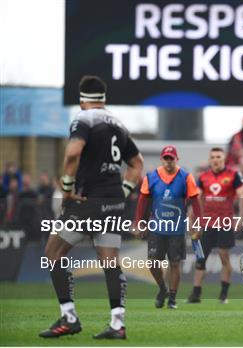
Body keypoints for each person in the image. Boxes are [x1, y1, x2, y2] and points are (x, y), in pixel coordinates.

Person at [39, 75, 144, 339]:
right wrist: (123, 192)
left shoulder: (82, 119)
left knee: (52, 252)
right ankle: (118, 324)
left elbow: (73, 152)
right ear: (104, 98)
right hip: (113, 202)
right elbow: (137, 164)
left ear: (82, 98)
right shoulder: (118, 124)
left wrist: (66, 189)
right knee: (110, 262)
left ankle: (69, 317)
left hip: (89, 201)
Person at [134, 145, 201, 309]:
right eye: (166, 158)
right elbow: (142, 201)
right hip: (156, 227)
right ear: (161, 159)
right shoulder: (151, 177)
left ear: (177, 159)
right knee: (152, 262)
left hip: (177, 228)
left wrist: (198, 223)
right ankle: (162, 289)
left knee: (175, 263)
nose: (169, 161)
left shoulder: (186, 177)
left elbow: (195, 202)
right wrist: (138, 222)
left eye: (172, 158)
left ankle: (172, 298)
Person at [187, 147, 243, 304]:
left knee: (223, 257)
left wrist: (240, 219)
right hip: (207, 223)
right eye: (213, 156)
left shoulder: (234, 175)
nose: (215, 159)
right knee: (200, 258)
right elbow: (197, 199)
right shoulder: (203, 177)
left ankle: (223, 294)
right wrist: (191, 219)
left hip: (225, 222)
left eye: (218, 156)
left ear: (224, 158)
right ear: (209, 159)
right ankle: (196, 294)